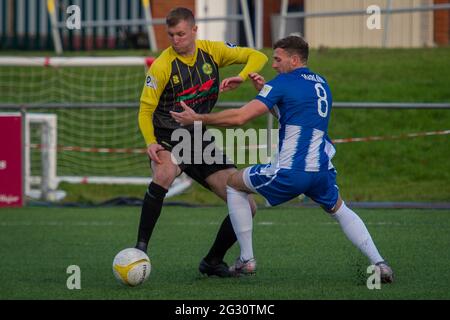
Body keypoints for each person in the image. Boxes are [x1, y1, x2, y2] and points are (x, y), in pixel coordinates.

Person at [171, 35, 394, 283]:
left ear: (294, 59)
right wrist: (266, 93)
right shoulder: (321, 83)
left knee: (233, 182)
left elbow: (240, 118)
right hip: (320, 170)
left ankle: (246, 259)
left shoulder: (282, 84)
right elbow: (293, 115)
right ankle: (380, 263)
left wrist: (198, 119)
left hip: (291, 172)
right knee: (341, 210)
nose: (274, 64)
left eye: (278, 59)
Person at [136, 7, 268, 277]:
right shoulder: (162, 65)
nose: (175, 39)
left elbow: (258, 55)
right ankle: (140, 250)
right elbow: (145, 110)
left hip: (197, 139)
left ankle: (212, 261)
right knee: (164, 172)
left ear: (194, 31)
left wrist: (241, 76)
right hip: (168, 136)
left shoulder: (212, 51)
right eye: (171, 34)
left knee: (247, 205)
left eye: (181, 34)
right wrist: (150, 142)